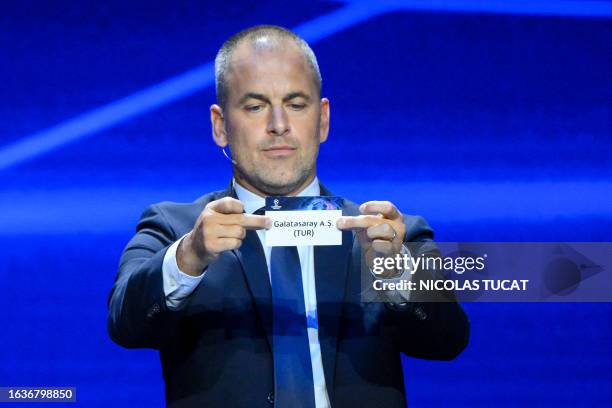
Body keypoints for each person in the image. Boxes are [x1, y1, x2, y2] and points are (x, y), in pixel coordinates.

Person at [107, 25, 469, 408]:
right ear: (220, 125)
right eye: (255, 106)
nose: (278, 124)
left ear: (323, 119)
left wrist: (396, 272)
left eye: (296, 104)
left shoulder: (388, 234)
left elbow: (448, 341)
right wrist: (190, 257)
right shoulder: (174, 228)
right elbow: (124, 323)